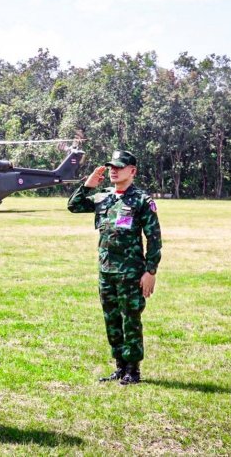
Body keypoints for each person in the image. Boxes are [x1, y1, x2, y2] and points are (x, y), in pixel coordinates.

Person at [67, 150, 162, 385]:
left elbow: (154, 238)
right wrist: (88, 185)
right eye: (111, 167)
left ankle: (133, 369)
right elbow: (74, 205)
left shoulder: (142, 200)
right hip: (106, 272)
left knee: (130, 319)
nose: (113, 170)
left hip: (131, 272)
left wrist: (150, 271)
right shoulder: (104, 197)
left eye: (119, 167)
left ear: (132, 171)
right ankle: (119, 366)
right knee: (111, 319)